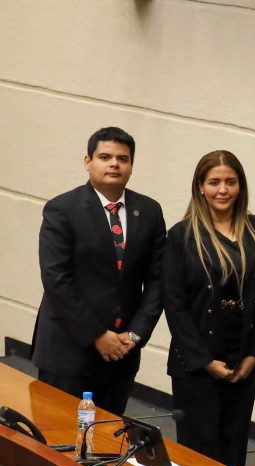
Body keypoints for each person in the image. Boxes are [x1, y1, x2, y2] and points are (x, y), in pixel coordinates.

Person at [32, 127, 165, 415]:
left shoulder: (150, 212)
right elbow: (56, 280)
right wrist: (96, 335)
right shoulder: (62, 209)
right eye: (105, 156)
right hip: (68, 352)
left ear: (131, 165)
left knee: (108, 442)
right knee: (59, 443)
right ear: (87, 161)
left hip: (122, 353)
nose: (114, 164)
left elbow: (157, 280)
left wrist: (135, 335)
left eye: (123, 158)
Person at [162, 150, 255, 466]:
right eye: (214, 182)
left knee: (233, 449)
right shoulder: (181, 236)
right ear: (200, 187)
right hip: (197, 365)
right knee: (199, 455)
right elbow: (175, 306)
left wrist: (254, 356)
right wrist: (204, 361)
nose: (222, 190)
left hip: (243, 361)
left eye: (230, 181)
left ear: (240, 186)